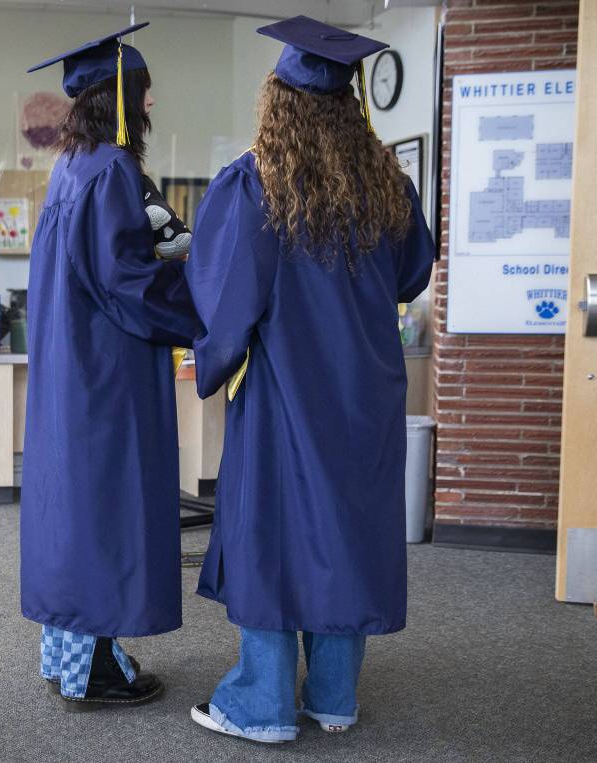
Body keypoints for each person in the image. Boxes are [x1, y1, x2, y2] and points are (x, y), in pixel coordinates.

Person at [184, 15, 436, 743]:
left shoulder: (257, 184)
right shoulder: (387, 184)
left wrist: (212, 355)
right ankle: (332, 696)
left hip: (286, 392)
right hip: (367, 392)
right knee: (347, 533)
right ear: (349, 105)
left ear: (277, 103)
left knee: (273, 534)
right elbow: (414, 271)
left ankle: (261, 704)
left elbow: (228, 298)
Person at [21, 23, 200, 709]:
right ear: (121, 96)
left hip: (73, 368)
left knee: (74, 507)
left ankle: (66, 651)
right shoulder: (114, 172)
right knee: (106, 511)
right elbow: (130, 283)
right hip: (109, 373)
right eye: (145, 92)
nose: (151, 105)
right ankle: (92, 670)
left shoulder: (70, 166)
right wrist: (202, 297)